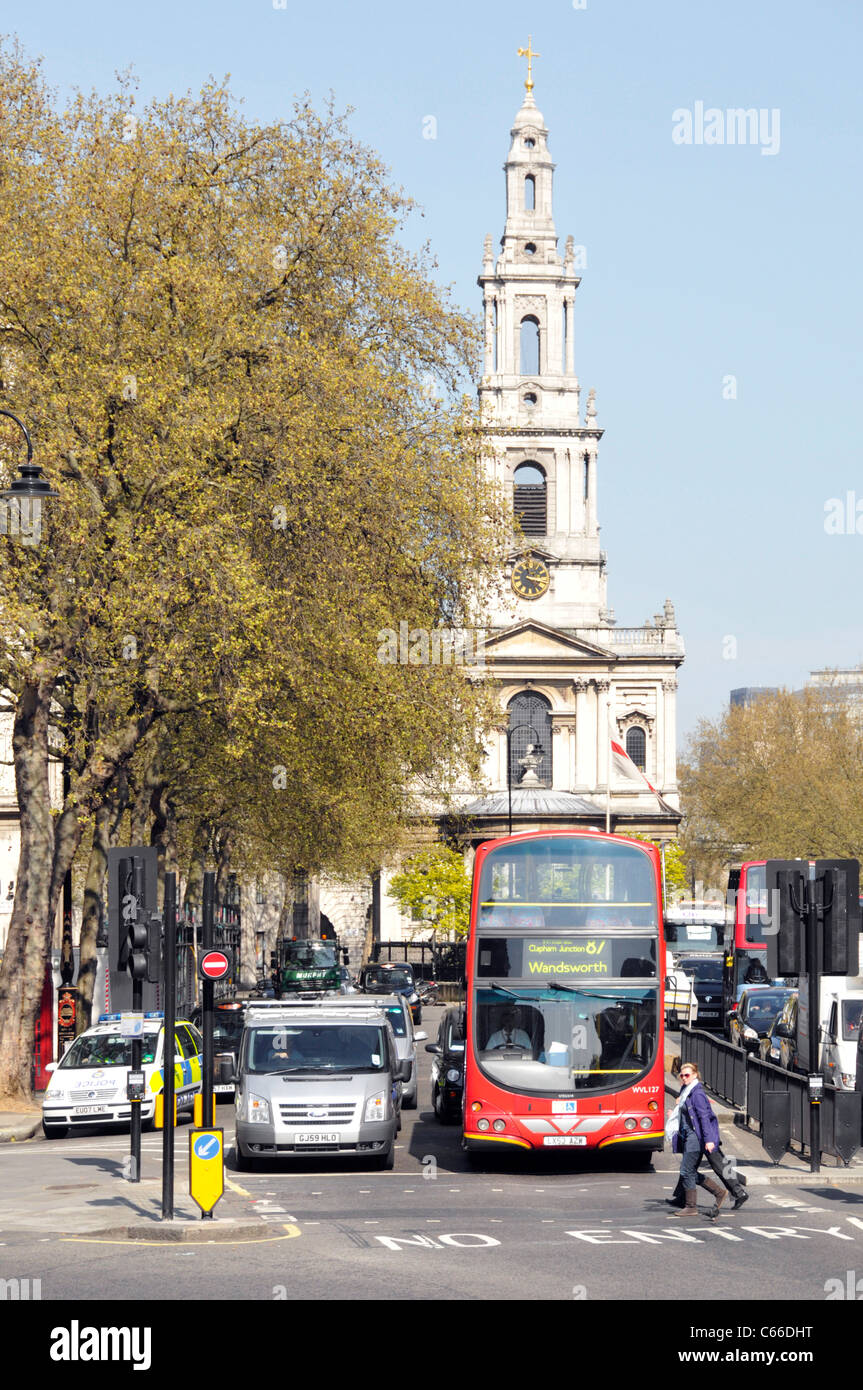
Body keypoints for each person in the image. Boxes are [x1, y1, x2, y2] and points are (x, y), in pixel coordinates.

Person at [665, 1061, 729, 1219]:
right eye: (682, 1075)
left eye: (687, 1075)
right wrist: (674, 1113)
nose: (684, 1077)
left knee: (686, 1171)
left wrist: (709, 1140)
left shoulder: (697, 1093)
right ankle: (718, 1193)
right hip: (688, 1136)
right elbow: (687, 1114)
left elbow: (704, 1118)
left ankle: (692, 1206)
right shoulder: (686, 1091)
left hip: (696, 1138)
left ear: (694, 1075)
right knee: (689, 1171)